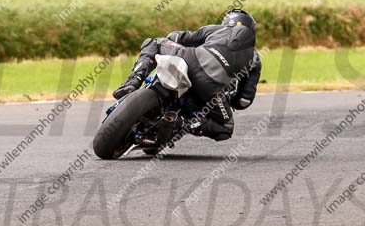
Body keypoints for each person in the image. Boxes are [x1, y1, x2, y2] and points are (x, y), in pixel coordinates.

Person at [112, 9, 262, 141]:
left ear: (227, 22)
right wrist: (229, 98)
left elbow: (174, 37)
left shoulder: (215, 30)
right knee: (225, 129)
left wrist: (180, 45)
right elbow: (243, 101)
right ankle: (182, 123)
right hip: (212, 88)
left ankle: (132, 82)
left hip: (189, 58)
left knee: (154, 42)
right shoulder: (255, 59)